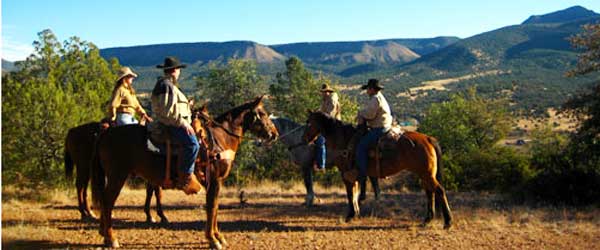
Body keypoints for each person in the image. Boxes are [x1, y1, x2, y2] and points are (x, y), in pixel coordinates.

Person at [151, 56, 202, 195]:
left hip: (173, 122)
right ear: (174, 70)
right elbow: (167, 111)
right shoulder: (166, 85)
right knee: (193, 145)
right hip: (170, 124)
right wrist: (183, 122)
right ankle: (185, 177)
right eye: (179, 69)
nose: (179, 72)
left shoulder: (168, 85)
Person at [355, 78, 392, 196]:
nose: (367, 91)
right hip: (384, 125)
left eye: (368, 89)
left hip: (379, 128)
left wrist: (360, 113)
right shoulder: (378, 97)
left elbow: (370, 114)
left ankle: (362, 172)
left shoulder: (375, 99)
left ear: (371, 89)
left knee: (361, 147)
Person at [314, 83, 341, 171]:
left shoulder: (332, 101)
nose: (323, 93)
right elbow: (321, 111)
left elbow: (330, 115)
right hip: (327, 124)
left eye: (325, 92)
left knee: (320, 141)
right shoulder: (325, 100)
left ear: (329, 92)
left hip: (333, 125)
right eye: (323, 92)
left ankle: (321, 165)